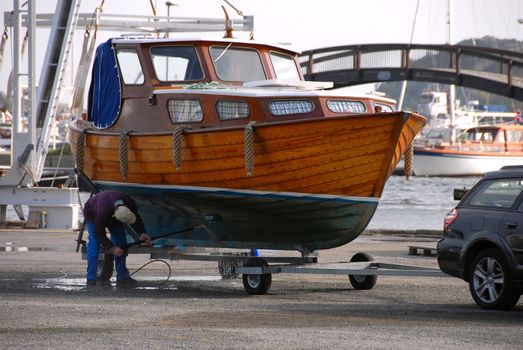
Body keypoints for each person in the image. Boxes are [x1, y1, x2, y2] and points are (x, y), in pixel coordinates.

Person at [83, 190, 151, 286]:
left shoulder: (129, 202)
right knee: (94, 244)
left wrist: (142, 233)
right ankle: (91, 278)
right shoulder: (102, 212)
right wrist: (112, 248)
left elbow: (136, 219)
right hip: (93, 213)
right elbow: (98, 233)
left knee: (121, 242)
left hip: (109, 209)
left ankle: (122, 276)